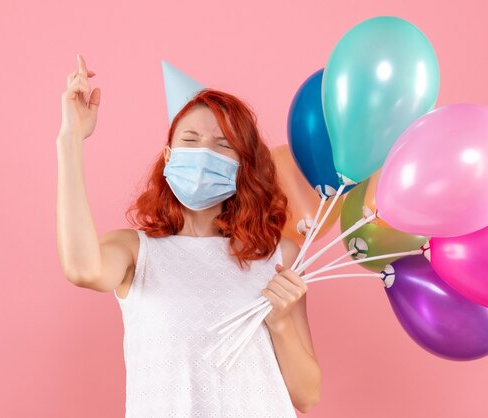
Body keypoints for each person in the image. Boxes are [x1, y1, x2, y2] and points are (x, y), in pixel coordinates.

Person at [56, 54, 322, 416]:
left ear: (243, 165)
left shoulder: (281, 257)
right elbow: (82, 269)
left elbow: (306, 397)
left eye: (223, 144)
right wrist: (70, 139)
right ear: (168, 157)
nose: (204, 153)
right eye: (191, 139)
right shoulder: (135, 252)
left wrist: (279, 321)